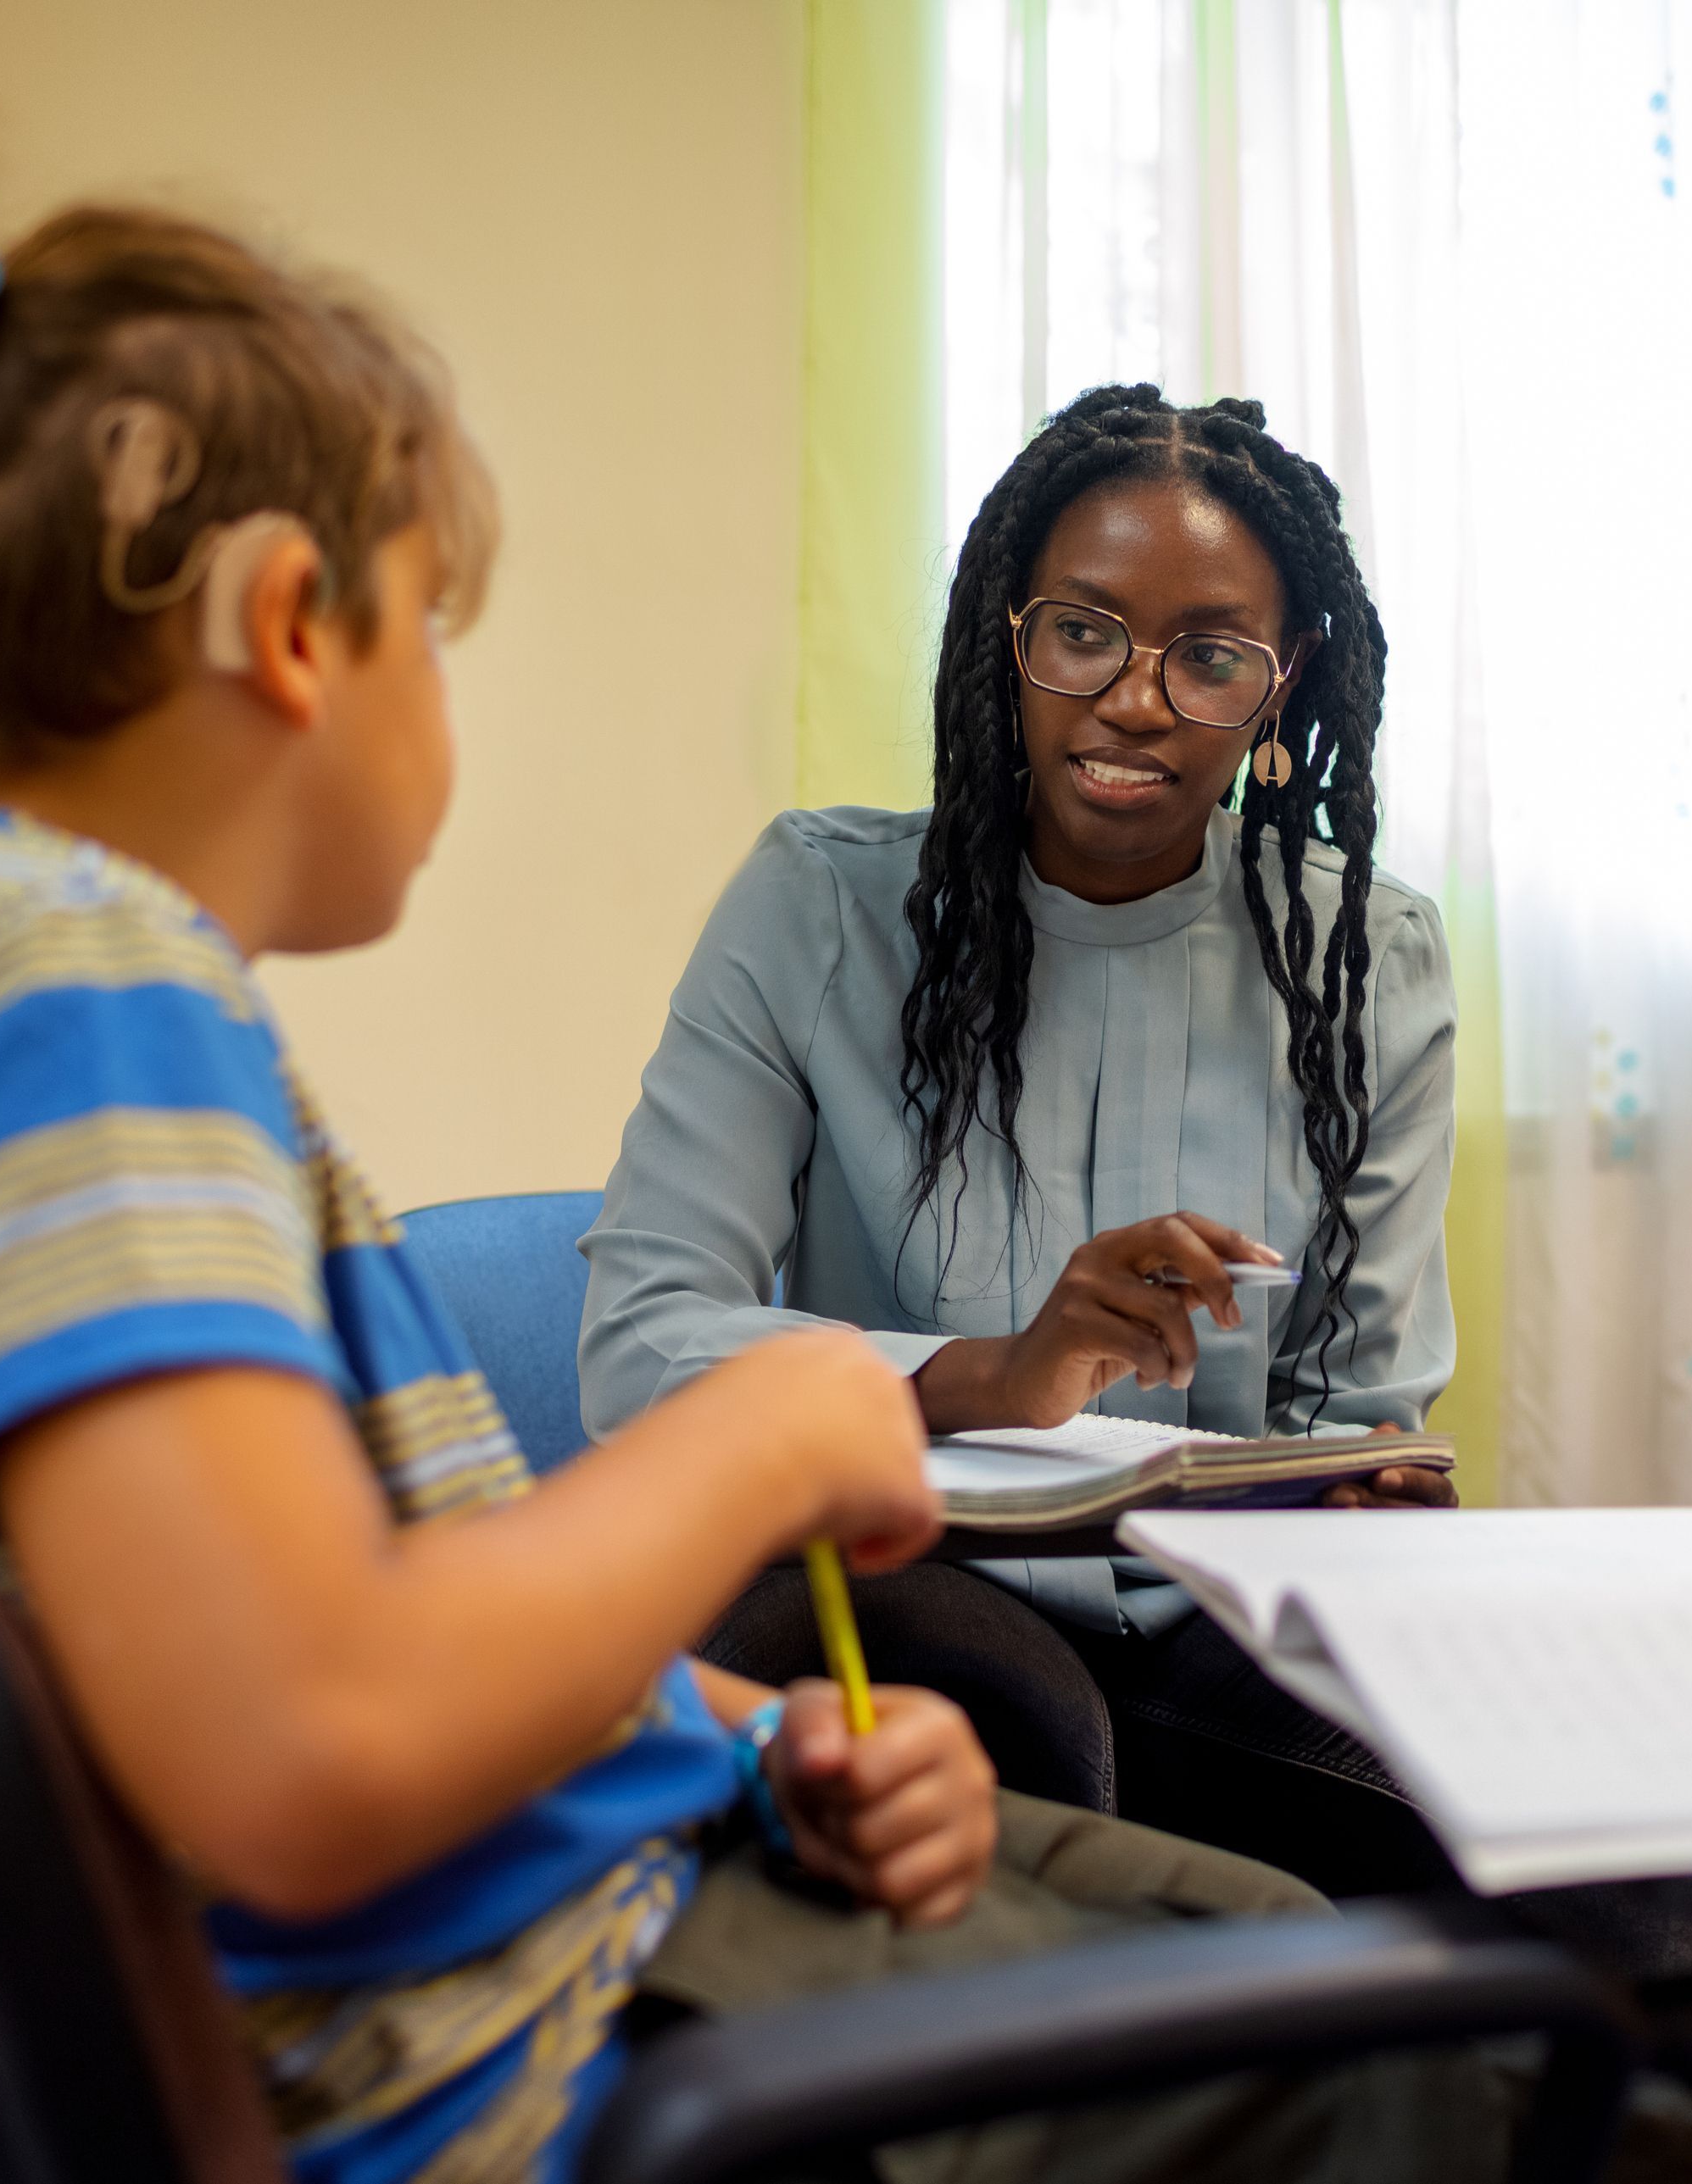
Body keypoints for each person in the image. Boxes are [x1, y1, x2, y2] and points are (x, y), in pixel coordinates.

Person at [0, 150, 1692, 2184]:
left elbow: (317, 1623)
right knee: (1575, 2125)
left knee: (1298, 1946)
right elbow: (305, 1754)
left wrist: (747, 1731)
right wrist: (783, 1430)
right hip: (546, 2031)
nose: (447, 706)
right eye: (439, 627)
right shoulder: (68, 1005)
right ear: (293, 625)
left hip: (593, 1900)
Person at [582, 386, 1484, 1901]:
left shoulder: (1367, 963)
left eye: (1209, 656)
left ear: (1283, 687)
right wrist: (993, 1375)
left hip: (1217, 1624)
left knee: (1535, 1836)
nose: (1135, 698)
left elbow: (1361, 1403)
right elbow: (640, 1341)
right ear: (1008, 635)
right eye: (1084, 631)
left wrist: (1362, 1491)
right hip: (890, 1573)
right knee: (1007, 1729)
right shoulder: (816, 910)